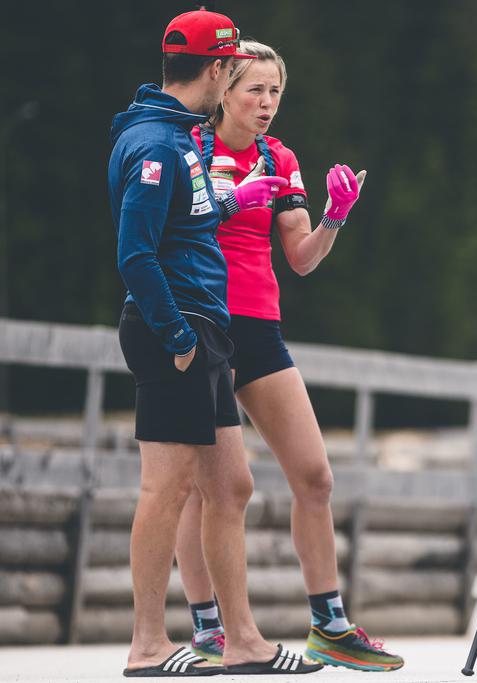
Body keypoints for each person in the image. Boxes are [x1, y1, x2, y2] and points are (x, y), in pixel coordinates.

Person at [172, 40, 404, 672]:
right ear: (224, 90)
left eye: (276, 91)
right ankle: (208, 628)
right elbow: (165, 228)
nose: (268, 103)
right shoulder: (189, 147)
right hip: (201, 323)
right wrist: (225, 201)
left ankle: (329, 623)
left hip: (259, 327)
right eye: (255, 90)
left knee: (315, 476)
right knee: (208, 488)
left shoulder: (280, 157)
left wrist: (334, 217)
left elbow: (300, 258)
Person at [109, 10, 321, 676]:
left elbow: (188, 217)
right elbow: (136, 254)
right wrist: (175, 336)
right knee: (165, 491)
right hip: (177, 327)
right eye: (234, 71)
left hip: (207, 327)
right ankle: (148, 645)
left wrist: (234, 201)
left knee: (230, 486)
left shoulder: (179, 137)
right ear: (217, 70)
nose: (243, 85)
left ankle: (243, 639)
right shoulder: (155, 144)